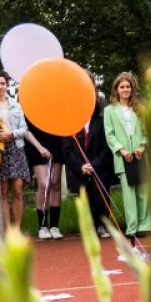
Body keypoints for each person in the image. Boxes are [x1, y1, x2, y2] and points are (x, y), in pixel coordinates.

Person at [60, 93, 113, 238]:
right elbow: (67, 151)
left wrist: (94, 165)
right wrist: (81, 166)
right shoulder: (70, 124)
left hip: (99, 168)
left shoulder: (101, 122)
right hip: (79, 171)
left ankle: (102, 225)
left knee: (100, 199)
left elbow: (106, 148)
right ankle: (89, 227)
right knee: (85, 200)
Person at [104, 72, 151, 237]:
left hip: (139, 154)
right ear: (116, 89)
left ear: (132, 88)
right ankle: (132, 227)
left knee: (143, 191)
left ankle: (144, 225)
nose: (125, 89)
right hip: (123, 157)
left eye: (128, 86)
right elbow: (109, 134)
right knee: (129, 193)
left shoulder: (139, 108)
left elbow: (147, 131)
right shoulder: (109, 111)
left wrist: (142, 146)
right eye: (122, 87)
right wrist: (121, 149)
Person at [0, 72, 29, 232]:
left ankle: (17, 228)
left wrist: (11, 134)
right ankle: (7, 229)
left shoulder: (16, 105)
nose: (0, 86)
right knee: (3, 191)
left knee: (18, 189)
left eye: (2, 83)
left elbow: (24, 128)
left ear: (7, 85)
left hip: (16, 149)